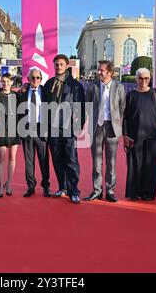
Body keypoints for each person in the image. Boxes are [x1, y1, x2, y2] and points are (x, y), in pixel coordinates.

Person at [43, 54, 85, 204]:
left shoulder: (75, 85)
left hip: (68, 128)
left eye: (61, 64)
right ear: (54, 66)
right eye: (56, 64)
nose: (59, 67)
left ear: (67, 66)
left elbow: (80, 107)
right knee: (57, 159)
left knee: (71, 160)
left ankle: (74, 190)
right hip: (53, 128)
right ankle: (62, 187)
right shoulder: (48, 84)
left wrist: (78, 126)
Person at [84, 60, 125, 202]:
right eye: (99, 70)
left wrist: (115, 121)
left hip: (112, 128)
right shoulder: (92, 87)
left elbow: (122, 108)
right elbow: (87, 106)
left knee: (111, 161)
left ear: (110, 73)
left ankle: (110, 190)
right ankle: (97, 190)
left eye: (102, 70)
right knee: (96, 161)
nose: (99, 72)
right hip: (96, 127)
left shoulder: (119, 87)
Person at [122, 68, 156, 201]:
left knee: (151, 164)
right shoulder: (131, 95)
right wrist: (126, 135)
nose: (143, 81)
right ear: (136, 79)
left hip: (153, 135)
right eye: (140, 78)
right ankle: (135, 192)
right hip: (135, 135)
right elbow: (126, 117)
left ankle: (148, 193)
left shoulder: (155, 93)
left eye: (146, 78)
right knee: (135, 164)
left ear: (150, 79)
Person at [18, 68, 51, 198]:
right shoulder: (22, 93)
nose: (35, 80)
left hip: (41, 130)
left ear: (41, 80)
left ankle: (46, 186)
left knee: (44, 160)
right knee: (29, 161)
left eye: (38, 78)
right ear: (28, 79)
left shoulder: (46, 92)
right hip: (27, 129)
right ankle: (31, 186)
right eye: (33, 78)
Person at [0, 73, 21, 197]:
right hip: (1, 129)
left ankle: (8, 184)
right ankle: (0, 185)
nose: (5, 84)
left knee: (12, 157)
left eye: (8, 82)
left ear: (11, 83)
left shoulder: (16, 95)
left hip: (14, 129)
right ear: (0, 82)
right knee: (1, 158)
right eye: (3, 82)